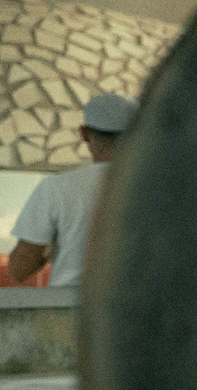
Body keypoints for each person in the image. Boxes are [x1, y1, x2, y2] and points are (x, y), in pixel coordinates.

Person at [8, 93, 137, 288]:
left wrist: (48, 251)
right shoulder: (161, 188)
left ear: (84, 133)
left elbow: (20, 269)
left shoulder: (56, 188)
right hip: (141, 307)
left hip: (72, 308)